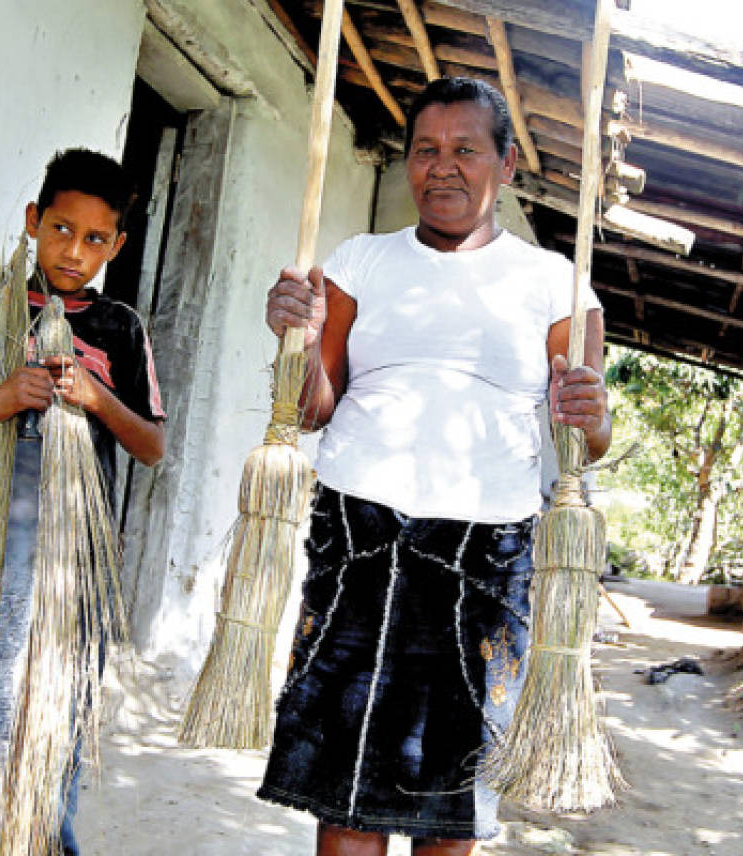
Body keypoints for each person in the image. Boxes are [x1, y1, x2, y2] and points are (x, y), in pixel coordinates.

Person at [258, 77, 610, 856]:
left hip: (485, 554)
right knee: (348, 795)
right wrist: (297, 337)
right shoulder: (362, 261)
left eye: (465, 151)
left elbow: (585, 435)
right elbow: (314, 406)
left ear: (507, 165)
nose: (441, 168)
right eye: (425, 150)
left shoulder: (555, 280)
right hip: (359, 535)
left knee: (451, 799)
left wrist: (592, 412)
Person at [0, 147, 167, 854]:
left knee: (52, 720)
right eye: (59, 228)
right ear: (32, 222)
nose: (74, 251)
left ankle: (40, 839)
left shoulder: (120, 329)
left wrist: (95, 396)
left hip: (68, 571)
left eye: (96, 238)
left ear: (120, 244)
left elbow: (151, 446)